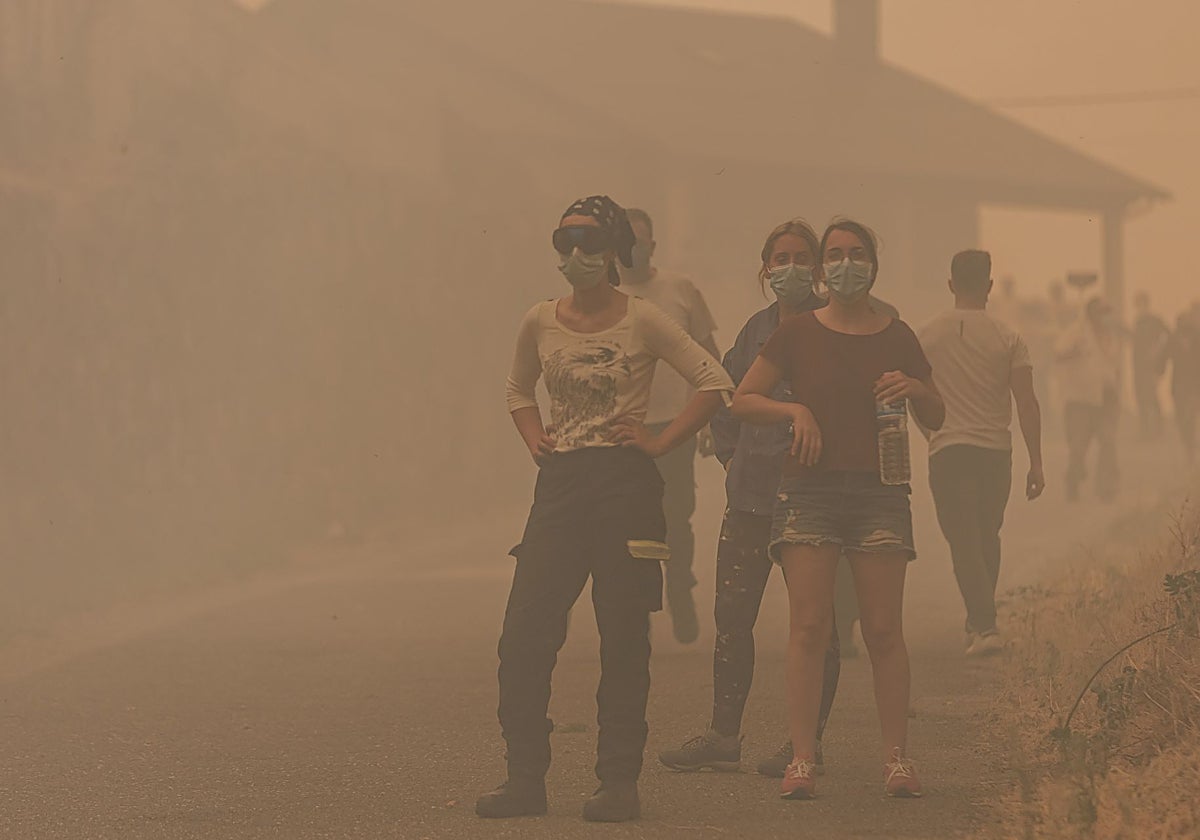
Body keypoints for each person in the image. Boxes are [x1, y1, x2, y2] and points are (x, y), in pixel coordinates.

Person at [476, 195, 733, 823]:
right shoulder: (540, 320)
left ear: (615, 250)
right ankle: (524, 779)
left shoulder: (643, 319)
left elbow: (714, 379)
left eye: (589, 242)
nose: (576, 255)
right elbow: (516, 386)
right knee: (523, 636)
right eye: (564, 241)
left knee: (623, 638)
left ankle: (618, 781)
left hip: (625, 486)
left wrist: (660, 441)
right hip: (561, 486)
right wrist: (533, 433)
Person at [733, 219, 944, 800]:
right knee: (808, 625)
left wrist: (916, 390)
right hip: (809, 492)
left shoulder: (898, 335)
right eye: (836, 255)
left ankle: (896, 759)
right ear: (823, 268)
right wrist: (794, 412)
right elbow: (744, 399)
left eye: (856, 253)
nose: (845, 263)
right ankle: (802, 759)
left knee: (882, 629)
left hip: (880, 491)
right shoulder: (797, 333)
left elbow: (937, 415)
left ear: (873, 263)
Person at [657, 219, 841, 778]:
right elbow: (726, 395)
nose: (790, 268)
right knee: (733, 618)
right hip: (750, 500)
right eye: (779, 259)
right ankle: (723, 734)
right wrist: (731, 455)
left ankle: (804, 743)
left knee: (815, 626)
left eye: (801, 257)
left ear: (818, 266)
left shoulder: (835, 329)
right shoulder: (754, 331)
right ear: (765, 270)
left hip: (815, 501)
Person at [918, 250, 1045, 658]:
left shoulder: (926, 336)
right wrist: (1036, 461)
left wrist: (931, 434)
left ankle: (984, 624)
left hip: (948, 450)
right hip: (996, 452)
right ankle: (980, 622)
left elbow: (913, 395)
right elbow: (1027, 402)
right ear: (989, 286)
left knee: (963, 540)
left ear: (951, 284)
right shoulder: (1009, 337)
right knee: (986, 535)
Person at [618, 208, 720, 644]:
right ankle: (639, 605)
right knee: (628, 522)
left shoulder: (679, 289)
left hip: (674, 425)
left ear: (653, 245)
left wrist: (711, 421)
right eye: (624, 241)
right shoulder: (603, 294)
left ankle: (680, 587)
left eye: (639, 240)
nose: (633, 249)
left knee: (676, 519)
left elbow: (708, 355)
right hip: (621, 429)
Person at [1055, 297, 1122, 502]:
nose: (1105, 317)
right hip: (1080, 400)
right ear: (1091, 314)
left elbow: (1112, 368)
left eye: (1106, 313)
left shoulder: (1111, 337)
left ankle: (1107, 487)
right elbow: (1058, 353)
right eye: (1101, 313)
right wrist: (1073, 352)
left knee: (1108, 442)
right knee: (1078, 447)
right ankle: (1073, 481)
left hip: (1106, 398)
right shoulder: (1076, 332)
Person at [1131, 292, 1170, 440]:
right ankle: (1145, 430)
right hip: (1138, 366)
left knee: (1152, 397)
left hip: (1150, 366)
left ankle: (1158, 429)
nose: (1139, 306)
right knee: (1141, 397)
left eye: (1140, 302)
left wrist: (1157, 350)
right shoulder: (1138, 322)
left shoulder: (1154, 320)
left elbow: (1166, 335)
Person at [1169, 307, 1200, 463]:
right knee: (1181, 417)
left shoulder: (1197, 339)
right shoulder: (1172, 339)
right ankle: (1187, 444)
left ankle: (1190, 449)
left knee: (1190, 417)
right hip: (1178, 385)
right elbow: (1162, 358)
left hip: (1194, 385)